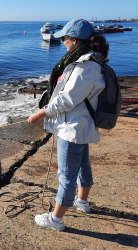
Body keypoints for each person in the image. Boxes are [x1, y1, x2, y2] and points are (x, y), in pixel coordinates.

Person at [27, 19, 109, 231]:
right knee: (82, 167)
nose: (62, 41)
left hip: (72, 128)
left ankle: (56, 220)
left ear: (74, 40)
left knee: (66, 175)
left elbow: (66, 100)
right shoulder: (88, 61)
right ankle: (81, 202)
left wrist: (41, 113)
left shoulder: (85, 66)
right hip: (79, 125)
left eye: (64, 38)